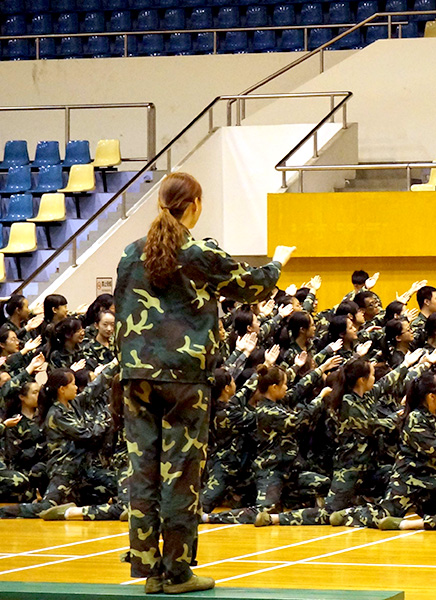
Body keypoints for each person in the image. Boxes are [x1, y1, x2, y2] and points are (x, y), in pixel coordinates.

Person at [114, 172, 292, 595]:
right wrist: (278, 262)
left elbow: (120, 310)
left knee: (143, 471)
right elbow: (252, 287)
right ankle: (177, 572)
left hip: (136, 375)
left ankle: (148, 569)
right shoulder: (198, 251)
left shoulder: (130, 253)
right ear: (194, 204)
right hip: (184, 377)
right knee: (181, 472)